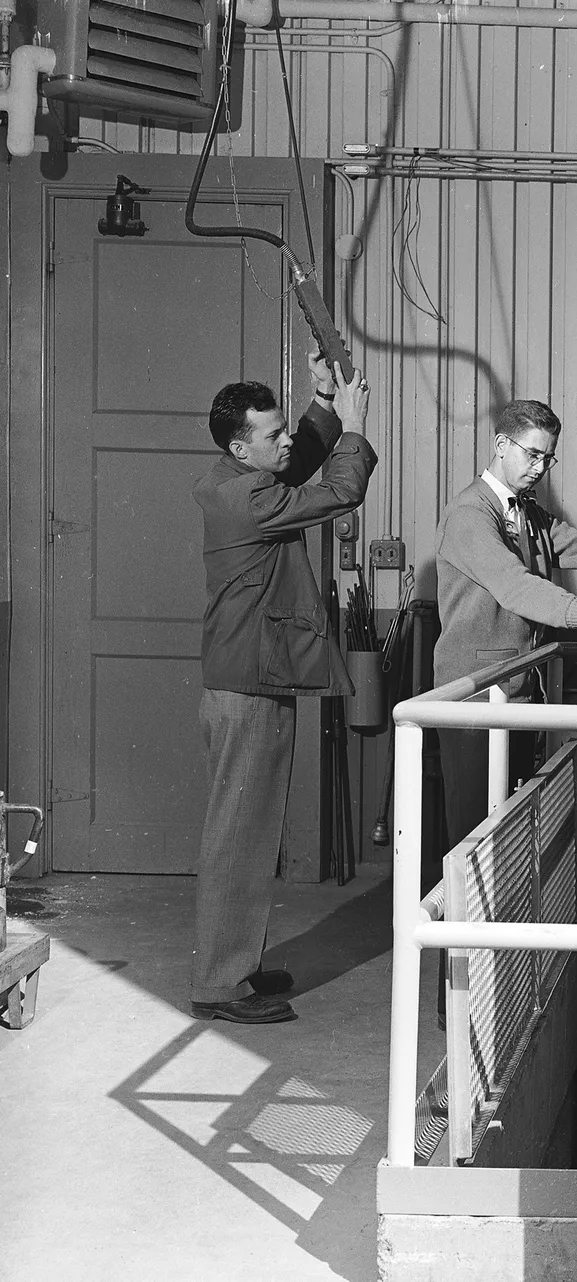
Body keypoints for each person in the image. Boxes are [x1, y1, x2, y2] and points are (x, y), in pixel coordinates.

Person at [191, 353, 375, 1024]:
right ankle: (218, 984)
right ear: (242, 447)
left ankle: (236, 964)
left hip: (247, 683)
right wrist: (352, 426)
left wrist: (324, 402)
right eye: (273, 433)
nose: (285, 438)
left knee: (247, 832)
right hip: (247, 689)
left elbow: (296, 467)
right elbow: (334, 493)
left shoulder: (238, 478)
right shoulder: (247, 496)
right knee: (238, 838)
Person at [433, 399, 577, 847]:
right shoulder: (470, 515)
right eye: (531, 454)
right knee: (474, 837)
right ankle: (466, 921)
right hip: (473, 699)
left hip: (516, 693)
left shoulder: (528, 515)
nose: (540, 467)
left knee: (510, 831)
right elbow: (515, 586)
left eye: (548, 457)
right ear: (502, 444)